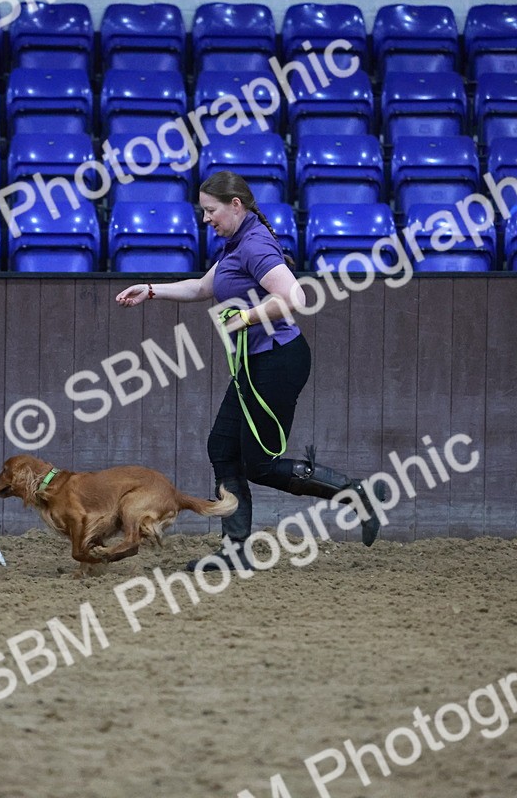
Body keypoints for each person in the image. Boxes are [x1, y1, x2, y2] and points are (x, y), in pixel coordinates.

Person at [115, 170, 384, 571]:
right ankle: (234, 553)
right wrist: (152, 290)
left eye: (211, 211)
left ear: (235, 205)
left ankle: (353, 493)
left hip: (277, 361)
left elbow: (295, 295)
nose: (206, 219)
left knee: (259, 464)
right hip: (255, 362)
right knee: (222, 448)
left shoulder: (254, 244)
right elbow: (202, 288)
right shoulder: (236, 242)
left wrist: (248, 317)